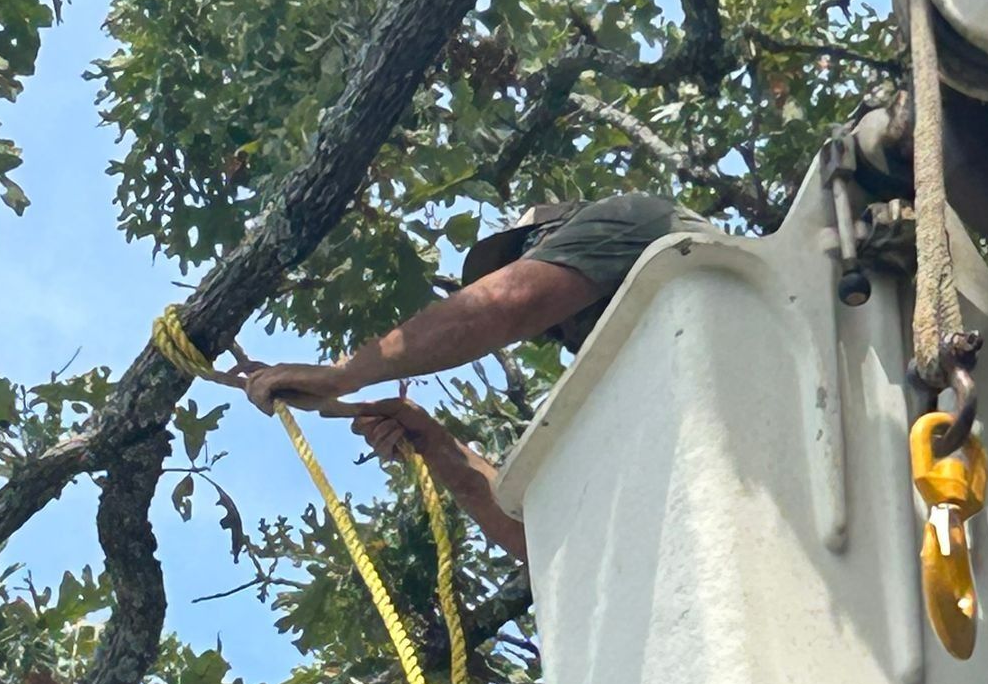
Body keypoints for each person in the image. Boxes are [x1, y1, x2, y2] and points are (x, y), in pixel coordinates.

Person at [244, 194, 716, 563]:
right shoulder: (618, 403)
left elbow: (503, 305)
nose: (552, 332)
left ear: (564, 237)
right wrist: (434, 445)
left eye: (534, 259)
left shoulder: (638, 219)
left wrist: (342, 375)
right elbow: (540, 540)